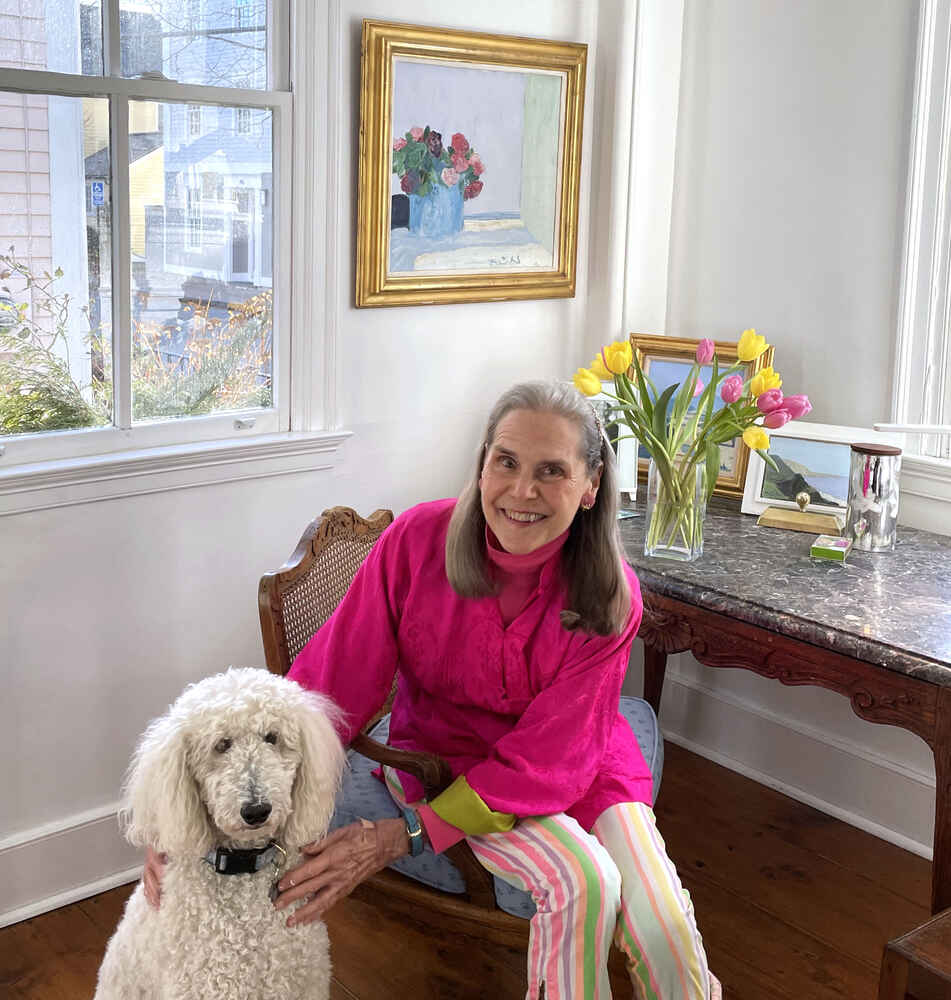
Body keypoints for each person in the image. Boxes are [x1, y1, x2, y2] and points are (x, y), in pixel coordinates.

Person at [144, 380, 719, 1000]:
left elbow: (548, 760)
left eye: (552, 471)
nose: (523, 491)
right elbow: (322, 690)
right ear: (481, 465)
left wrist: (407, 833)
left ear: (590, 487)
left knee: (663, 927)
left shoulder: (612, 595)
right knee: (586, 881)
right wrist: (189, 824)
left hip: (577, 760)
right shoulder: (418, 541)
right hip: (447, 764)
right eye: (507, 462)